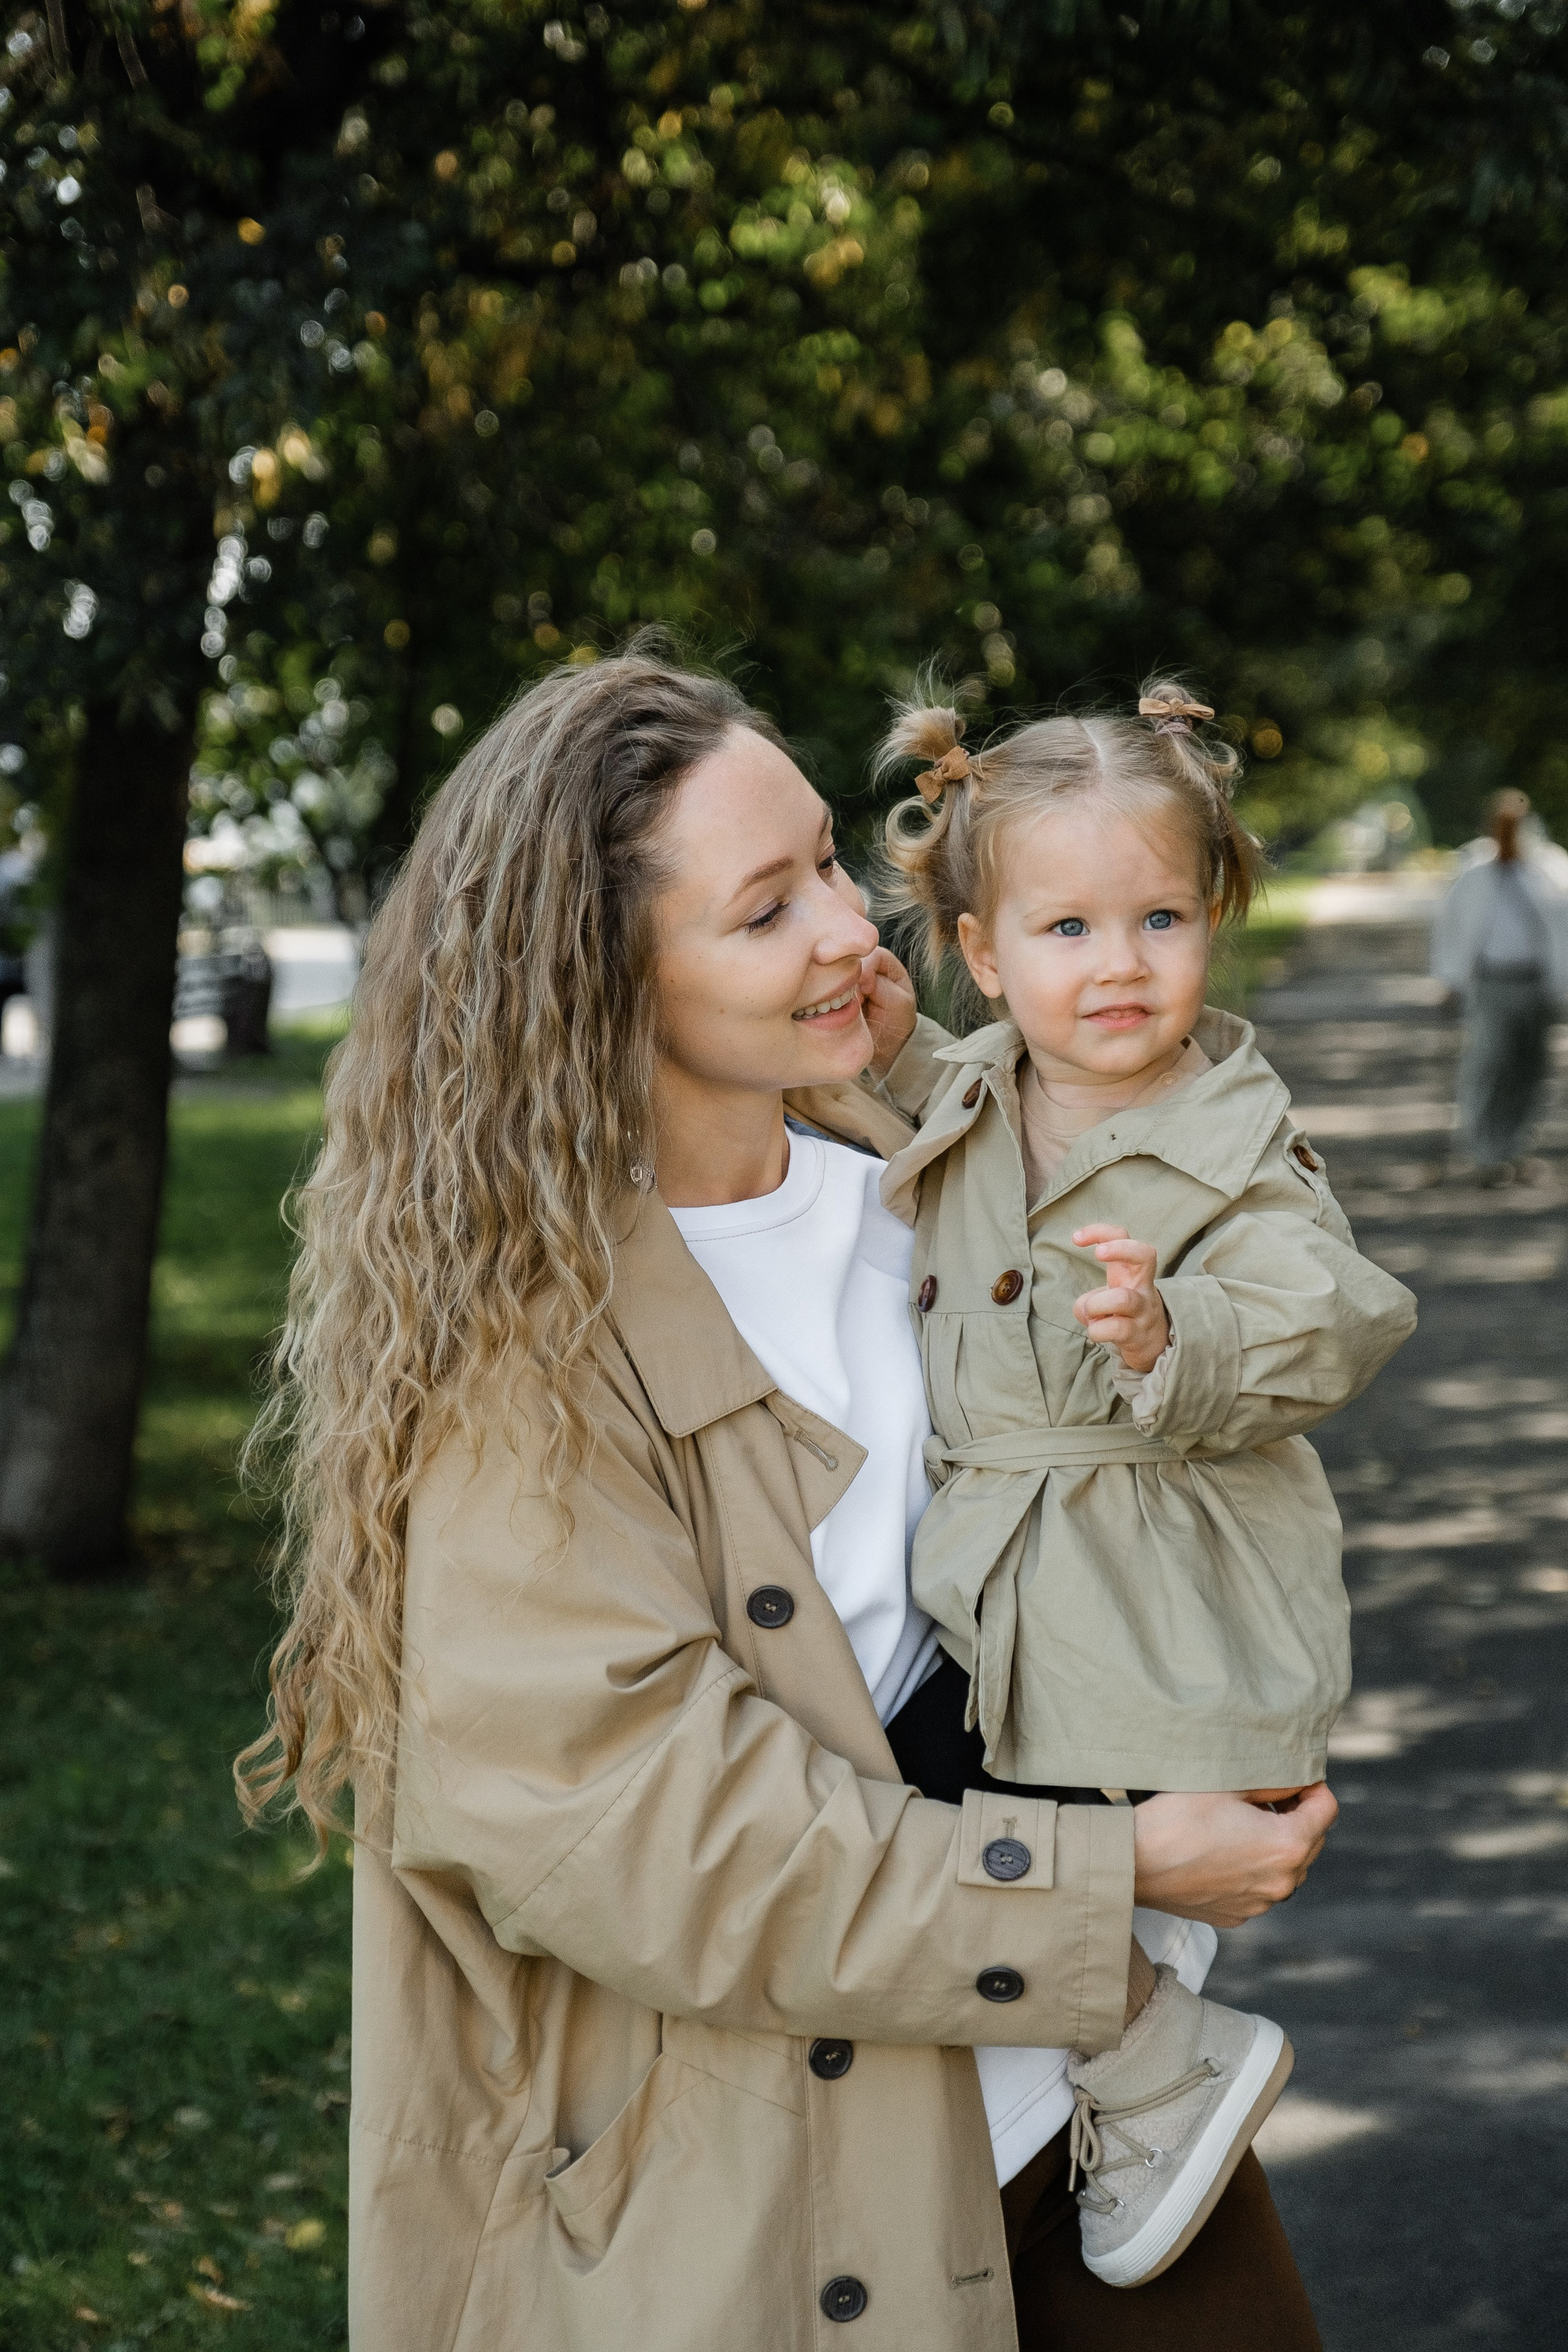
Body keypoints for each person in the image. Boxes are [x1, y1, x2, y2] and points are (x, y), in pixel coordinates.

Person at [236, 643, 1336, 2350]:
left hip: (1103, 2146)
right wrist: (1112, 1876)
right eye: (764, 912)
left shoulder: (929, 1173)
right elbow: (667, 1842)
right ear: (598, 979)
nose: (848, 926)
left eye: (827, 857)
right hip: (791, 2219)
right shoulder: (525, 1372)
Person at [867, 679, 1415, 2291]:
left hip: (1149, 1582)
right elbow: (908, 1098)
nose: (1120, 964)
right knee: (896, 1786)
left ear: (1215, 915)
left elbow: (1340, 1304)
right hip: (1016, 1582)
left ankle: (1150, 2060)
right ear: (984, 955)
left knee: (927, 1808)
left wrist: (1188, 1328)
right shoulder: (980, 1086)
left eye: (1161, 915)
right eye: (1068, 929)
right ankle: (1143, 2019)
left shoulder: (1229, 1130)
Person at [1430, 787, 1568, 1182]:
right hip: (1491, 984)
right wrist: (1449, 980)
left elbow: (1562, 932)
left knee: (1530, 1068)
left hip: (1536, 984)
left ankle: (1516, 1148)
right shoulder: (1473, 873)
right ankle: (1485, 1152)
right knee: (1489, 1064)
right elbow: (1451, 930)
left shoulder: (1549, 871)